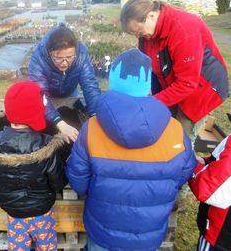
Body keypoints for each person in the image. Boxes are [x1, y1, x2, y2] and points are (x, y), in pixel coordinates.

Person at [66, 48, 197, 250]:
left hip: (103, 230)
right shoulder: (175, 130)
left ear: (113, 80)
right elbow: (184, 172)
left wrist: (96, 192)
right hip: (149, 233)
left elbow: (78, 177)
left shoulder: (92, 128)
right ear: (147, 85)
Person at [0, 81, 67, 251]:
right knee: (47, 248)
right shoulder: (47, 146)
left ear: (8, 111)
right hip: (42, 213)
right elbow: (58, 182)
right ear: (37, 112)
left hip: (14, 215)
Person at [120, 0, 230, 141]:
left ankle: (184, 159)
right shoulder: (148, 34)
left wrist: (151, 103)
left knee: (180, 138)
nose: (138, 36)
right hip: (173, 84)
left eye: (139, 31)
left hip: (200, 89)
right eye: (134, 33)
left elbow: (187, 83)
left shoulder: (184, 30)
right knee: (164, 125)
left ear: (151, 16)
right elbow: (147, 65)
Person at [188, 71, 231, 251]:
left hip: (223, 238)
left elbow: (208, 189)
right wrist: (205, 162)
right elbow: (218, 160)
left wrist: (189, 162)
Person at [28, 23, 101, 143]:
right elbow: (40, 94)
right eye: (58, 58)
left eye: (69, 57)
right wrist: (59, 122)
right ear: (50, 52)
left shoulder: (81, 54)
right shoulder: (39, 58)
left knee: (71, 116)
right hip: (48, 95)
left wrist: (95, 116)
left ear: (75, 52)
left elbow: (90, 86)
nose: (64, 63)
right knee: (52, 127)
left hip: (70, 91)